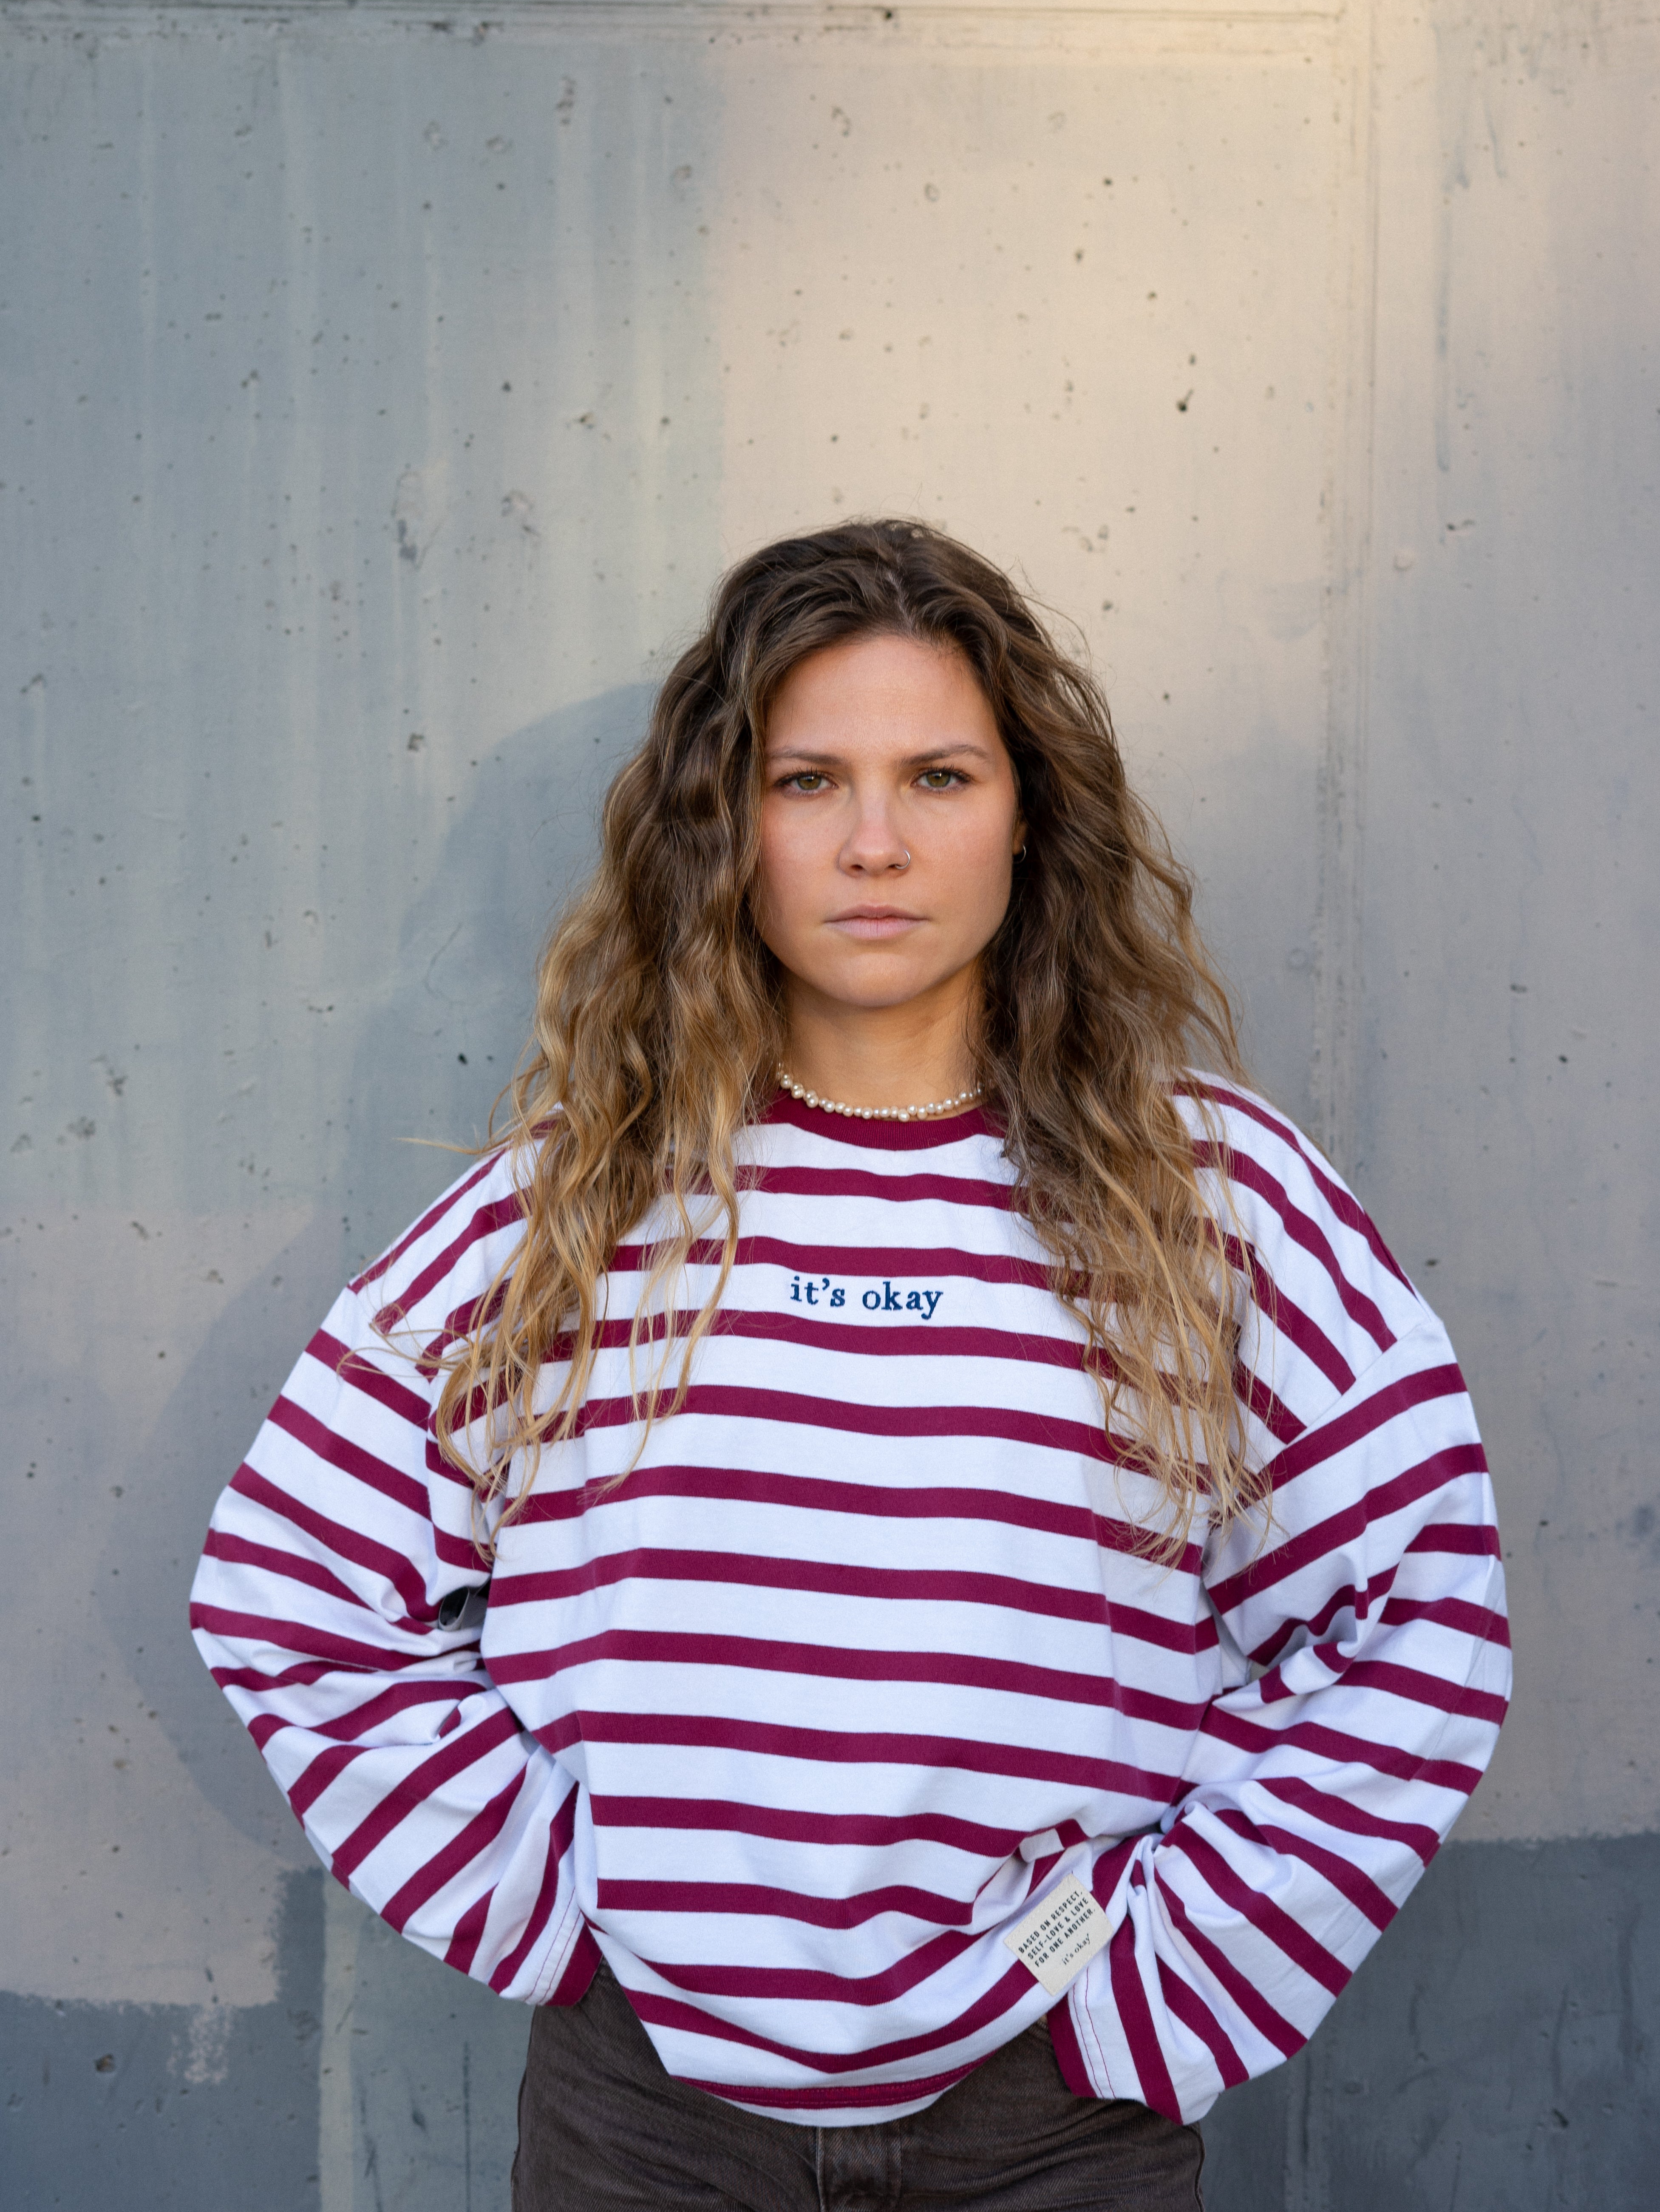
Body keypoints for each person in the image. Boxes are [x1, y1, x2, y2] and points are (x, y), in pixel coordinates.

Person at [191, 520, 1510, 2209]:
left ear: (1029, 817)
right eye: (806, 782)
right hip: (647, 2132)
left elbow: (1419, 1619)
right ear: (720, 825)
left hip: (1052, 2125)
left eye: (939, 777)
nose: (874, 843)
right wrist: (572, 1921)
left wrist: (1141, 1991)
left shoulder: (1215, 1201)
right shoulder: (572, 1203)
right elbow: (291, 1588)